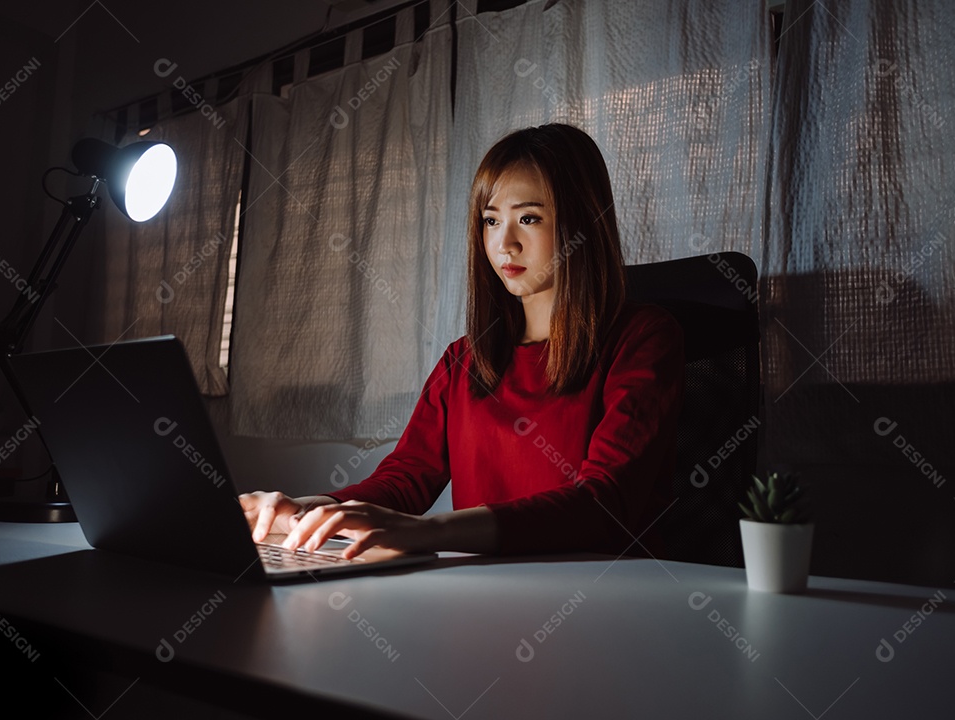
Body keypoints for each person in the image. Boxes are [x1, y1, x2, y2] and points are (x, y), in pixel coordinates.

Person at [240, 123, 684, 560]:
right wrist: (310, 510)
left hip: (605, 595)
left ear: (582, 222)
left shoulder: (643, 338)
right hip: (483, 594)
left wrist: (427, 533)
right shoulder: (464, 358)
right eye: (491, 220)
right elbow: (406, 478)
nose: (504, 244)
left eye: (529, 218)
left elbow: (604, 504)